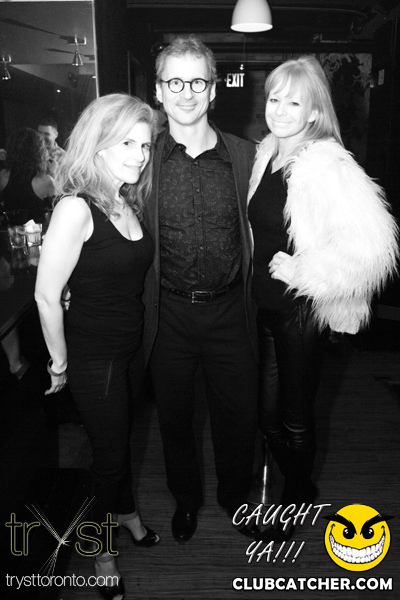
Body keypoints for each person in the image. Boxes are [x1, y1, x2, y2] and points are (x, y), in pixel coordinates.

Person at [247, 56, 399, 540]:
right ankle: (302, 484)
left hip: (300, 311)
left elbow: (373, 248)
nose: (279, 110)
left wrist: (304, 271)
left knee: (294, 418)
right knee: (267, 416)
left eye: (294, 103)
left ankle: (295, 498)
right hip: (264, 307)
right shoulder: (267, 153)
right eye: (274, 98)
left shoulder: (327, 164)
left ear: (314, 112)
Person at [35, 93, 160, 600]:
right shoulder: (75, 207)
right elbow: (46, 295)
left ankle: (126, 512)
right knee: (107, 460)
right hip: (95, 359)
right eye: (126, 143)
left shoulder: (124, 198)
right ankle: (101, 553)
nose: (139, 155)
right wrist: (59, 363)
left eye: (145, 145)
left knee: (120, 443)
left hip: (130, 349)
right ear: (98, 142)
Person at [143, 35, 259, 543]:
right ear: (158, 91)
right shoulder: (140, 161)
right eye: (175, 81)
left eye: (197, 81)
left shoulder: (246, 156)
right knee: (174, 419)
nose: (186, 92)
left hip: (231, 310)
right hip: (167, 313)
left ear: (213, 89)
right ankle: (185, 500)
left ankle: (237, 499)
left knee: (239, 416)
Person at [1, 128, 55, 222]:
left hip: (10, 229)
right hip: (38, 230)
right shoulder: (45, 181)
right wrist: (53, 173)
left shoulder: (2, 175)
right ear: (39, 152)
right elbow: (56, 210)